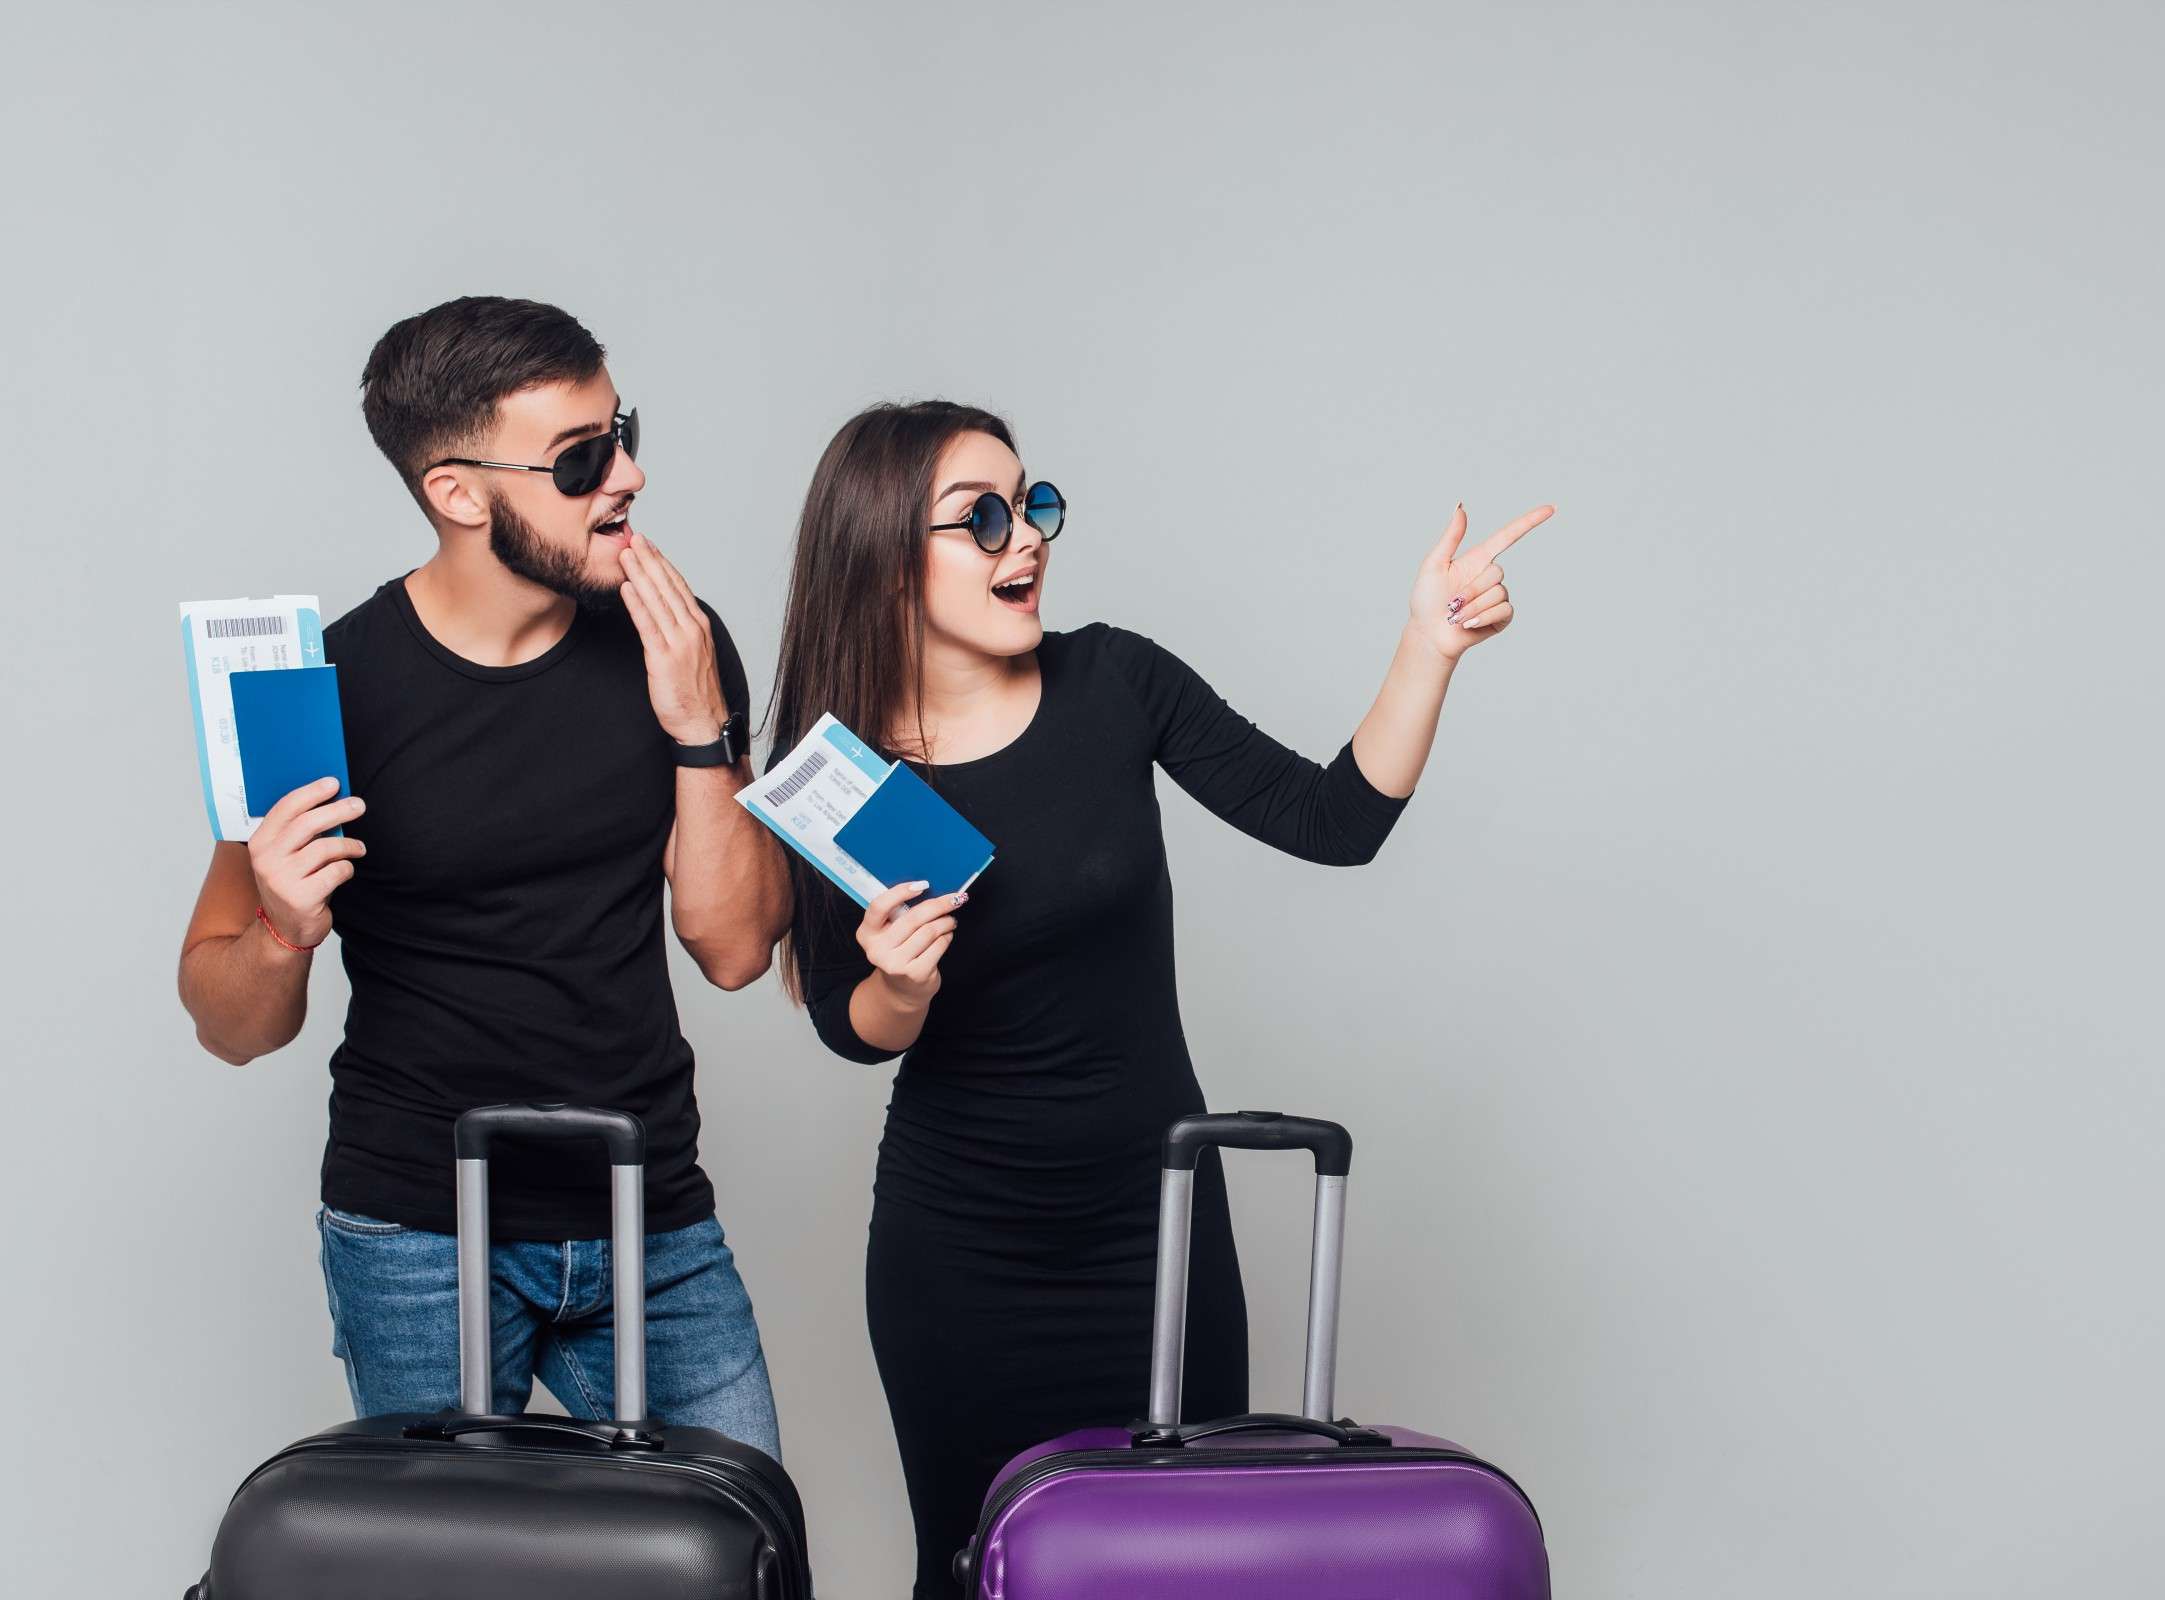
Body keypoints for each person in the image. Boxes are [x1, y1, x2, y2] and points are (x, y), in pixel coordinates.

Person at [762, 399, 1549, 1589]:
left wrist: (1427, 648)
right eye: (979, 518)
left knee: (1185, 1565)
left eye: (1031, 504)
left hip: (1158, 1226)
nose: (1023, 537)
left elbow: (1331, 822)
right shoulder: (844, 771)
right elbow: (846, 1023)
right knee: (974, 1564)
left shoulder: (1113, 679)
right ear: (881, 560)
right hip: (960, 1249)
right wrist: (897, 985)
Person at [176, 296, 791, 1456]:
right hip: (418, 1232)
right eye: (583, 457)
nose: (631, 477)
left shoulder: (677, 640)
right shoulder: (322, 689)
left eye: (626, 432)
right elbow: (228, 1023)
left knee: (745, 1543)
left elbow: (735, 947)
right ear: (456, 492)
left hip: (647, 1209)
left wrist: (700, 729)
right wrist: (283, 931)